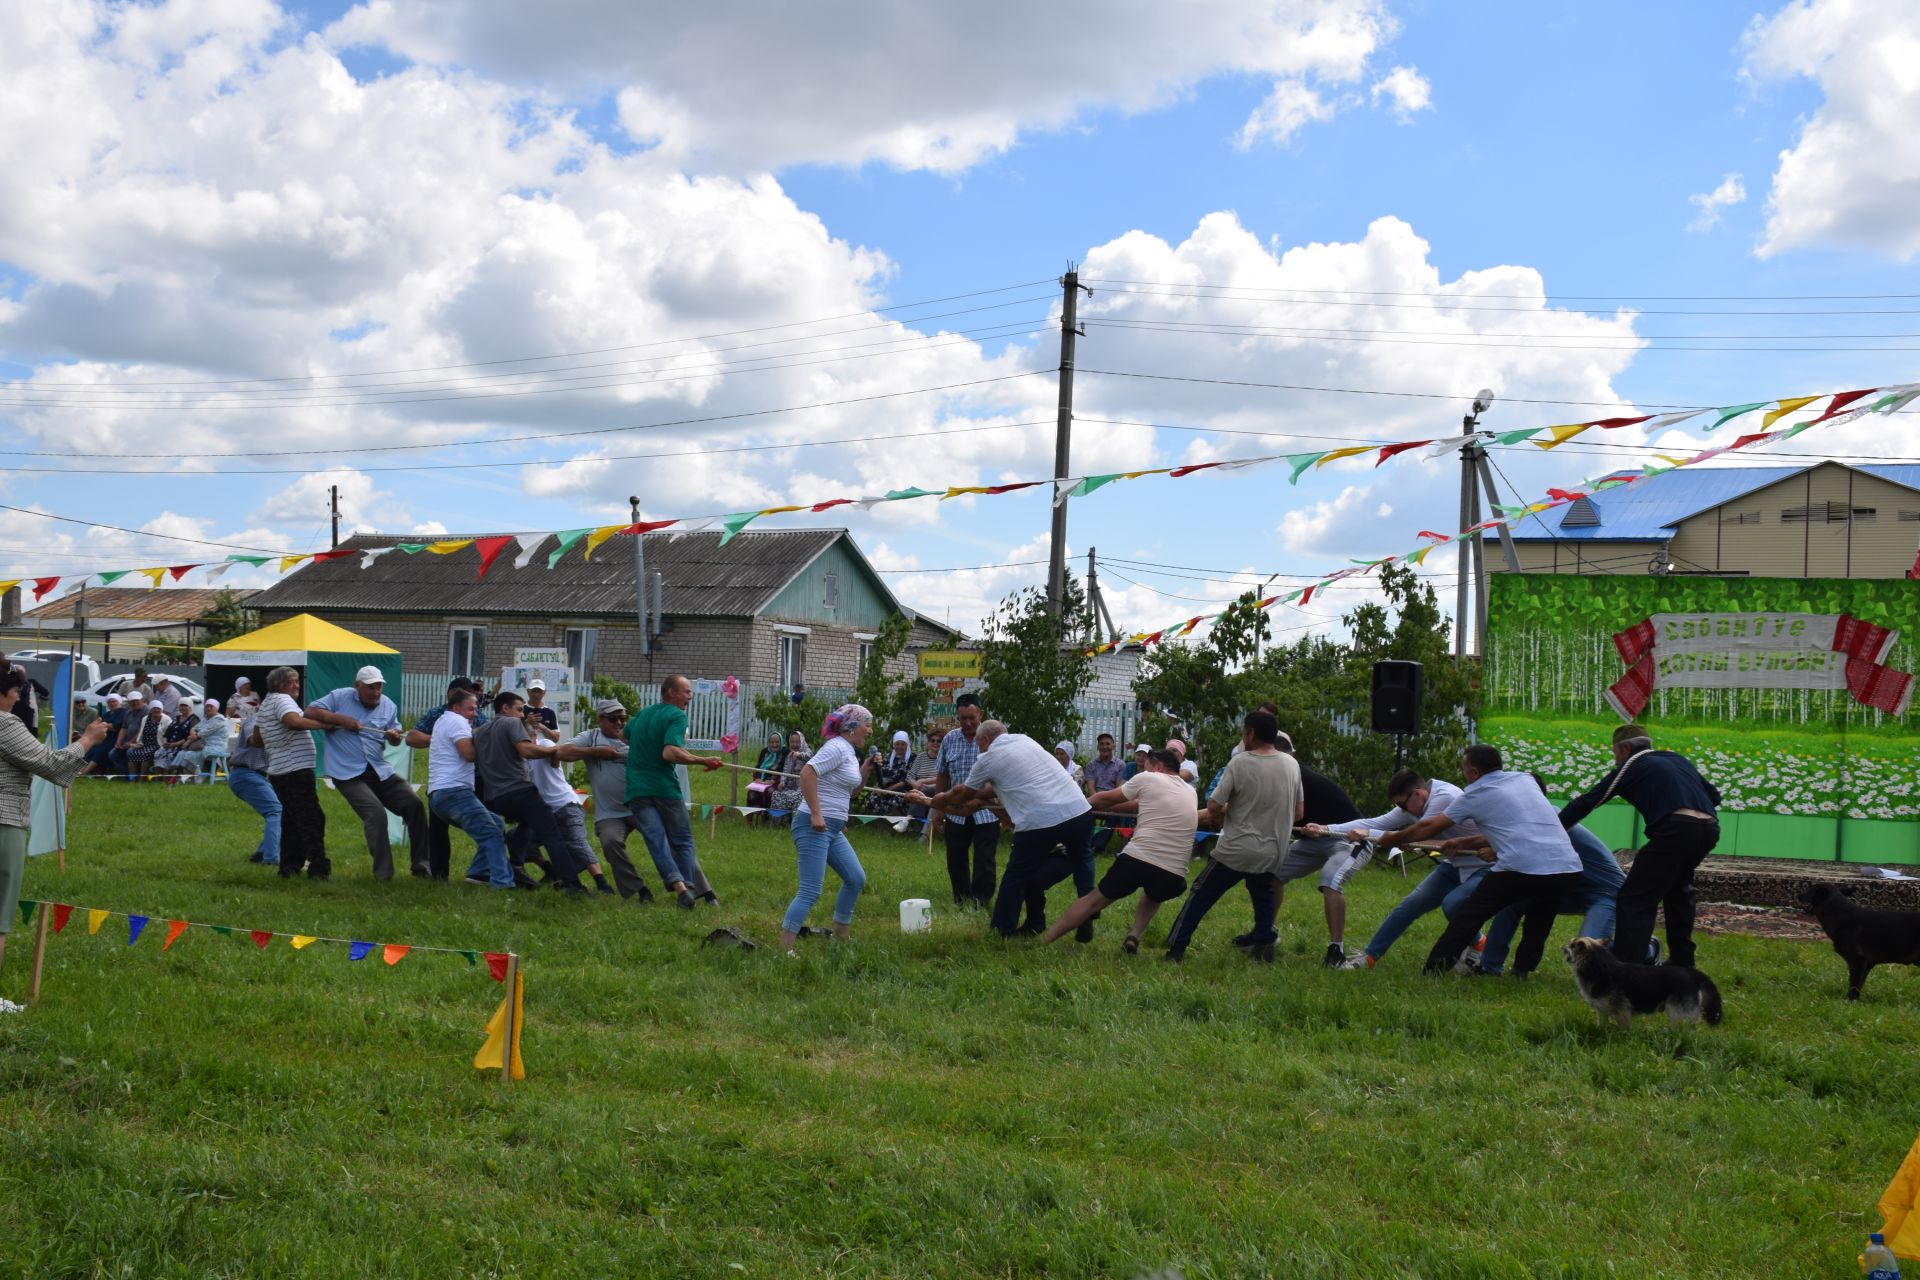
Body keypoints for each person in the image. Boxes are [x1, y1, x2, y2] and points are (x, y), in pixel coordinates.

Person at [1373, 744, 1585, 977]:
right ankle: (1520, 973)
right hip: (1567, 865)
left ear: (1473, 772)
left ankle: (1434, 970)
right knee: (1539, 919)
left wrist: (1392, 839)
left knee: (1469, 915)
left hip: (1520, 865)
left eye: (1464, 768)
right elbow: (1516, 827)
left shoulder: (1475, 794)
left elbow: (1427, 826)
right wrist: (1465, 843)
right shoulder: (1525, 780)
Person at [1558, 723, 1721, 968]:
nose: (1615, 761)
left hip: (1675, 828)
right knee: (1679, 890)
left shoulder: (1632, 765)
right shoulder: (1676, 758)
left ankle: (1629, 967)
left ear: (1624, 748)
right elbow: (1715, 796)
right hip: (1708, 828)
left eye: (1615, 754)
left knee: (1634, 897)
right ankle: (1682, 962)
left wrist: (1553, 829)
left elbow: (1590, 800)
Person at [0, 667, 108, 1012]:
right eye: (15, 692)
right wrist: (88, 739)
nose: (18, 699)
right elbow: (51, 764)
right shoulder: (5, 725)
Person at [931, 720, 1097, 940]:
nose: (979, 750)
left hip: (1041, 821)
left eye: (979, 745)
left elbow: (963, 793)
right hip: (1079, 810)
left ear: (985, 740)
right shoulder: (1026, 740)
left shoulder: (988, 758)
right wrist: (978, 796)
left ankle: (1002, 930)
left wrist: (938, 799)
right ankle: (1087, 912)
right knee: (1083, 859)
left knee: (1017, 875)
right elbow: (996, 785)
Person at [1161, 711, 1303, 963]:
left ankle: (1176, 948)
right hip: (1273, 850)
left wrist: (1223, 815)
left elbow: (1214, 804)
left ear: (1251, 733)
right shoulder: (1292, 765)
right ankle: (1264, 943)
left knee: (1201, 895)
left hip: (1236, 849)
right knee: (1263, 897)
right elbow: (1299, 812)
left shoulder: (1240, 763)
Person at [1323, 769, 1487, 971]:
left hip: (1485, 865)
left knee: (1453, 905)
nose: (1401, 811)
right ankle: (1368, 958)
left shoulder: (1444, 797)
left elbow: (1422, 831)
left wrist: (1373, 834)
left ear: (1417, 794)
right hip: (1456, 864)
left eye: (1401, 804)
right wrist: (1326, 829)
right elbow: (1376, 823)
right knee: (1408, 907)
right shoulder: (1415, 803)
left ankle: (1479, 945)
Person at [1468, 775, 1628, 976]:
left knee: (1586, 949)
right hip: (1567, 889)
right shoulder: (1529, 818)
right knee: (1510, 904)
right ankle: (1489, 967)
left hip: (1606, 892)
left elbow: (1525, 844)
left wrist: (1497, 850)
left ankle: (1647, 951)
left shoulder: (1551, 815)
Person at [1044, 749, 1197, 952]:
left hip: (1138, 859)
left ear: (1158, 766)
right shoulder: (1191, 792)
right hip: (1174, 873)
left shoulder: (1149, 778)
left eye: (1147, 766)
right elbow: (1134, 805)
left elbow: (1107, 798)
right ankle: (1134, 936)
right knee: (1154, 894)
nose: (1143, 769)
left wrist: (1080, 806)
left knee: (1093, 901)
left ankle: (1045, 939)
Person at [306, 666, 428, 881]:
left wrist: (394, 736)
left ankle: (422, 865)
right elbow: (310, 712)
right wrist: (341, 720)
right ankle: (383, 874)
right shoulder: (340, 697)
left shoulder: (388, 705)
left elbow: (395, 735)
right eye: (370, 687)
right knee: (376, 814)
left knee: (414, 804)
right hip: (347, 773)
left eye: (378, 687)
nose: (375, 692)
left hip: (379, 769)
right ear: (357, 687)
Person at [1259, 736, 1369, 967]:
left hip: (1348, 839)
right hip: (1316, 840)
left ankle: (1335, 950)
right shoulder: (1281, 774)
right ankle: (1267, 934)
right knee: (1271, 872)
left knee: (1330, 880)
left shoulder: (1293, 774)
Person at [625, 675, 725, 908]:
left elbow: (625, 734)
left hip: (637, 790)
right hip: (664, 788)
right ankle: (688, 887)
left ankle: (680, 890)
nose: (690, 696)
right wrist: (703, 760)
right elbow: (669, 753)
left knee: (656, 841)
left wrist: (644, 748)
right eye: (686, 691)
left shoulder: (643, 714)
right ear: (671, 692)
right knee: (682, 841)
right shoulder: (677, 715)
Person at [780, 704, 873, 951]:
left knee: (855, 879)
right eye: (868, 724)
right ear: (852, 726)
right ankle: (784, 948)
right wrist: (817, 814)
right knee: (811, 890)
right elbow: (807, 773)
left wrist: (865, 770)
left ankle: (840, 937)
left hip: (831, 827)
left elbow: (852, 791)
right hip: (814, 825)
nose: (870, 731)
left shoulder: (850, 752)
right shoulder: (836, 747)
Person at [476, 691, 588, 893]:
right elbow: (527, 751)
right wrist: (554, 750)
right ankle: (573, 885)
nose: (521, 715)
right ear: (505, 708)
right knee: (552, 835)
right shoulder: (511, 723)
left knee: (526, 826)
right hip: (521, 790)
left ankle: (516, 866)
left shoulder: (480, 731)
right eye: (519, 710)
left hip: (497, 797)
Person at [567, 700, 663, 902]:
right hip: (610, 812)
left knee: (668, 840)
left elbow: (663, 753)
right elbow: (562, 752)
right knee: (610, 842)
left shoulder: (635, 736)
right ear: (600, 720)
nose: (619, 722)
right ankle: (639, 891)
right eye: (613, 719)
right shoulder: (591, 737)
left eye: (622, 718)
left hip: (642, 806)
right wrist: (596, 752)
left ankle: (690, 888)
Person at [426, 688, 517, 890]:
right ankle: (503, 884)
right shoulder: (457, 722)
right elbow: (469, 754)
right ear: (456, 707)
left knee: (496, 824)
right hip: (454, 792)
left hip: (439, 795)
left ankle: (478, 873)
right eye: (471, 709)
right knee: (491, 832)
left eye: (475, 709)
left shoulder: (443, 720)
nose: (474, 714)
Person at [255, 665, 330, 879]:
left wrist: (275, 738)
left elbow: (256, 738)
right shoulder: (282, 700)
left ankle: (289, 866)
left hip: (279, 771)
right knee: (312, 819)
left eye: (297, 681)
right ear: (279, 685)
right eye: (291, 682)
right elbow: (293, 721)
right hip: (294, 770)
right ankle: (318, 868)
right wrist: (324, 724)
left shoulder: (266, 704)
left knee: (292, 821)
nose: (296, 685)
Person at [405, 677, 485, 880]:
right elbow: (412, 737)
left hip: (476, 778)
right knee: (438, 830)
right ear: (452, 694)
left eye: (474, 693)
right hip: (444, 780)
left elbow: (487, 735)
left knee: (488, 823)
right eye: (468, 691)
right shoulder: (437, 713)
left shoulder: (478, 714)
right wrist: (443, 736)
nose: (473, 696)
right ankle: (439, 876)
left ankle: (482, 871)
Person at [933, 694, 1000, 909]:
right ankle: (961, 900)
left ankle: (981, 901)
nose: (968, 723)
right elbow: (942, 774)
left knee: (985, 860)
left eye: (972, 717)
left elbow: (1002, 777)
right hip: (955, 810)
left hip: (987, 810)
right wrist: (938, 808)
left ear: (980, 714)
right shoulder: (950, 739)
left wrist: (980, 798)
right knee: (956, 858)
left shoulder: (994, 738)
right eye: (963, 719)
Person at [529, 736, 614, 894]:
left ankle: (602, 884)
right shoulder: (520, 757)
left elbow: (556, 756)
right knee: (518, 839)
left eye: (526, 739)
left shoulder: (545, 744)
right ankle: (551, 872)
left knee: (576, 841)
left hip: (566, 805)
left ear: (533, 736)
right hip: (545, 812)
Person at [226, 704, 280, 866]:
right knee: (275, 811)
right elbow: (253, 740)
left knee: (279, 810)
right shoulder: (256, 720)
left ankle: (262, 852)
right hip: (246, 774)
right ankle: (271, 858)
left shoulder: (270, 722)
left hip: (253, 775)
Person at [865, 730, 917, 817]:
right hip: (886, 787)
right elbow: (881, 774)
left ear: (907, 744)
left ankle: (897, 826)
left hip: (903, 790)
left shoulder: (913, 758)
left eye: (902, 744)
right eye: (897, 744)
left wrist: (890, 790)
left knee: (896, 800)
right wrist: (878, 787)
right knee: (873, 797)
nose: (899, 746)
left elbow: (908, 780)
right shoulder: (888, 757)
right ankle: (878, 825)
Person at [904, 727, 943, 824]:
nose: (935, 743)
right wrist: (914, 783)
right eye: (932, 740)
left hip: (937, 789)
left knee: (923, 791)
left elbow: (943, 777)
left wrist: (923, 781)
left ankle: (908, 819)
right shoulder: (921, 756)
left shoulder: (944, 758)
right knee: (917, 792)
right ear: (928, 742)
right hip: (920, 788)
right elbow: (909, 775)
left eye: (939, 741)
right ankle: (918, 824)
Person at [126, 700, 170, 778]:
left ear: (161, 709)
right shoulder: (145, 718)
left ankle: (141, 779)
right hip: (144, 744)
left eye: (158, 708)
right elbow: (141, 732)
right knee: (131, 755)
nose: (156, 710)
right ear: (150, 709)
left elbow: (169, 734)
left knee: (144, 755)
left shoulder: (166, 719)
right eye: (154, 708)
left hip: (158, 745)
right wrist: (137, 743)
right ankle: (132, 778)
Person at [84, 693, 125, 772]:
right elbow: (99, 724)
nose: (112, 704)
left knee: (100, 751)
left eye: (114, 701)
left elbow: (115, 727)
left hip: (116, 739)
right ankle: (80, 769)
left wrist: (104, 725)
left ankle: (84, 772)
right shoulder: (106, 714)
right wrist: (106, 725)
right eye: (109, 702)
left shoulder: (123, 712)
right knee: (91, 748)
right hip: (104, 737)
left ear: (119, 701)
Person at [1083, 733, 1125, 797]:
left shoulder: (1120, 765)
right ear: (1097, 747)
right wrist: (1098, 803)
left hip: (1114, 800)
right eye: (1101, 744)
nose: (1104, 747)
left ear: (1113, 747)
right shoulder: (1091, 765)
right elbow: (1090, 789)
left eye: (1108, 744)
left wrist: (1108, 803)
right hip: (1095, 800)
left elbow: (1118, 789)